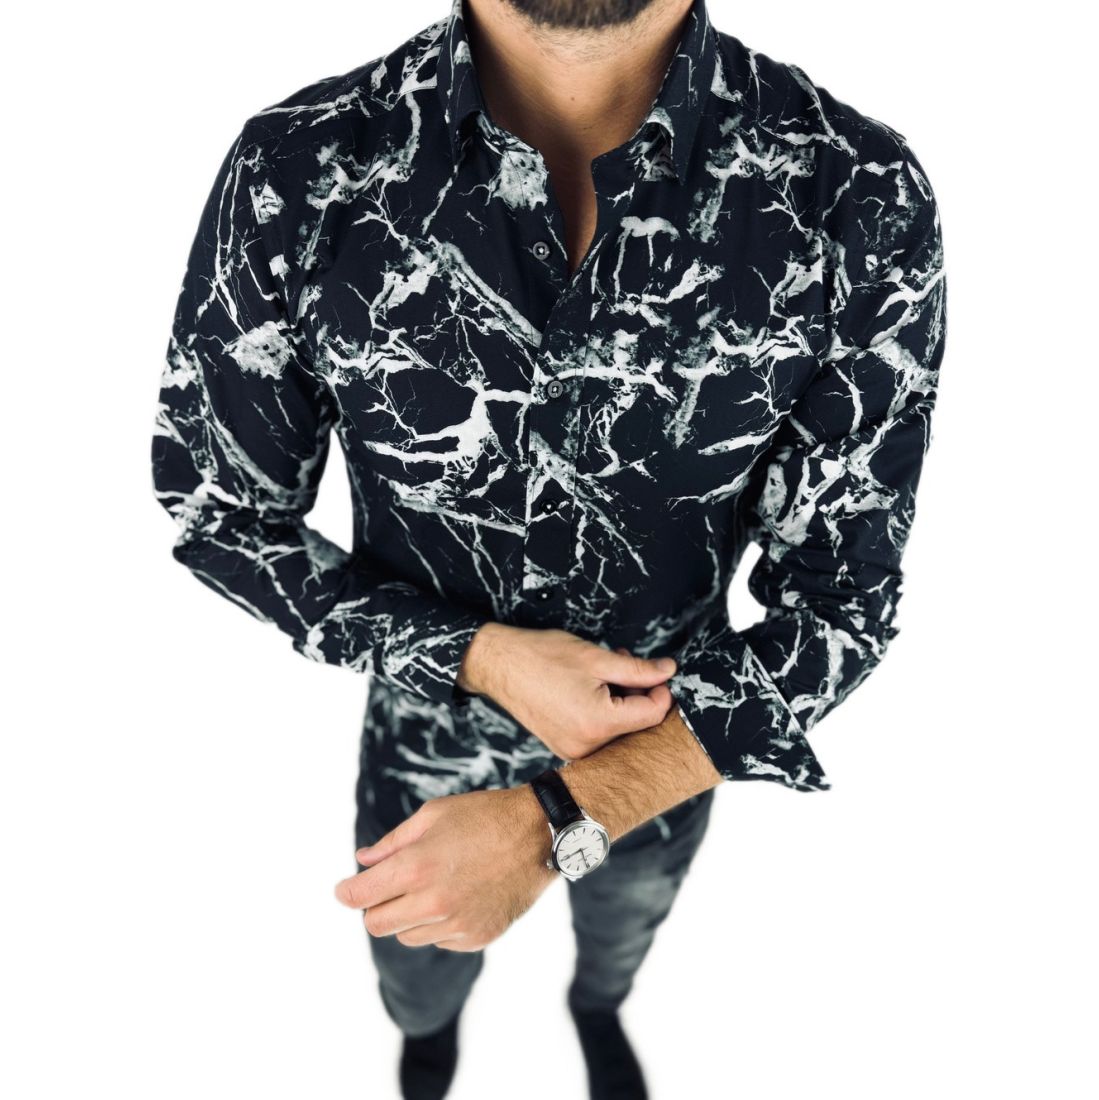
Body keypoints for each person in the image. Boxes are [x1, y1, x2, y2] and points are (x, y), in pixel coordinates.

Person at [150, 0, 947, 1095]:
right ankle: (427, 1041)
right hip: (420, 749)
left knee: (622, 939)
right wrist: (475, 654)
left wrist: (564, 817)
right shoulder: (299, 169)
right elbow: (219, 509)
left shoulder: (854, 194)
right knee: (414, 978)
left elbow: (840, 605)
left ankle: (596, 1009)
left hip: (665, 752)